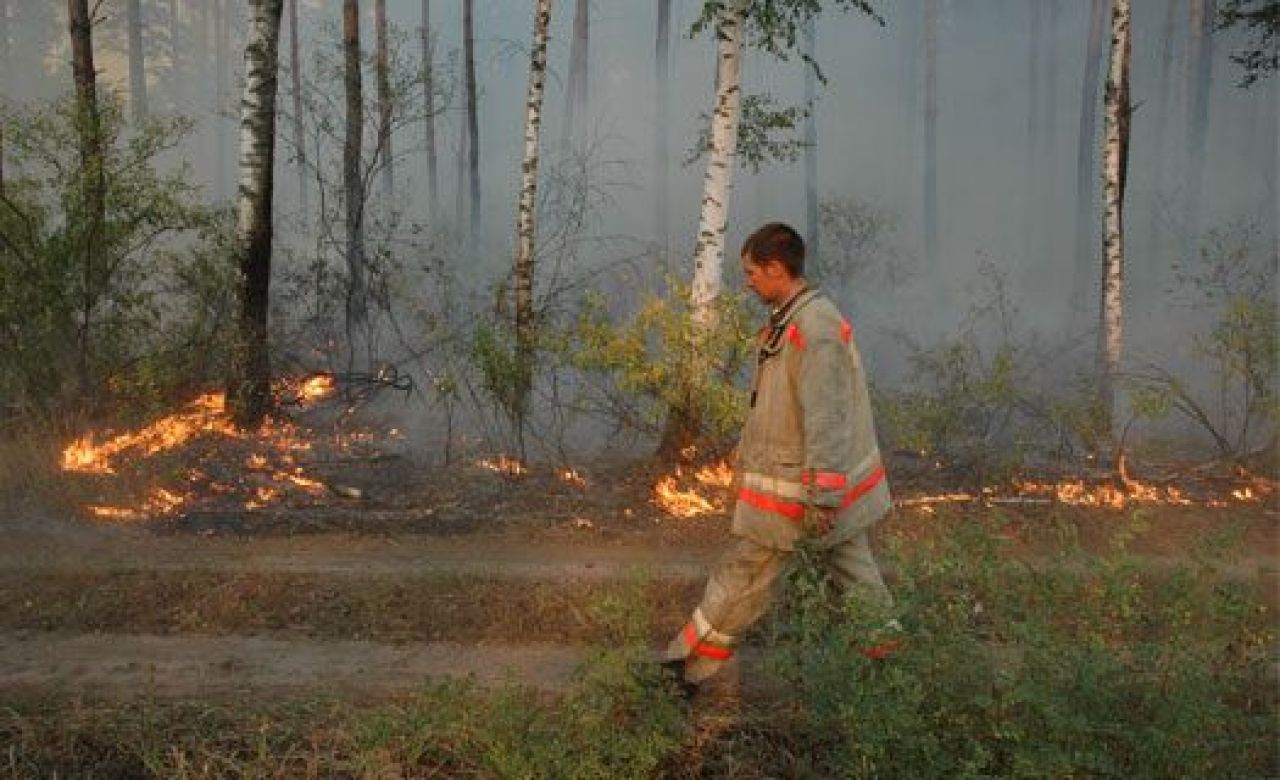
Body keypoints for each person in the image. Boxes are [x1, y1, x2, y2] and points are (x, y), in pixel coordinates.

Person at [662, 222, 896, 693]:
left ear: (775, 269)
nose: (747, 282)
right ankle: (891, 675)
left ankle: (682, 673)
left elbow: (827, 417)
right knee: (859, 582)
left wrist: (823, 498)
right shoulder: (795, 319)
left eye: (752, 272)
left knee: (743, 577)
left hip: (799, 500)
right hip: (812, 496)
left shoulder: (815, 327)